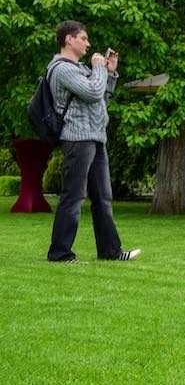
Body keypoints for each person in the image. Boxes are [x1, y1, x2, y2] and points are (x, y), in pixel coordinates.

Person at [45, 21, 140, 263]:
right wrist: (99, 68)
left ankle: (110, 251)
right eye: (84, 39)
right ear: (69, 39)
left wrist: (108, 73)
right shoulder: (61, 69)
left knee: (103, 197)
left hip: (95, 137)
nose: (88, 44)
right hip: (77, 138)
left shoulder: (79, 69)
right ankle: (60, 253)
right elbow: (93, 92)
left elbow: (101, 100)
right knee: (74, 196)